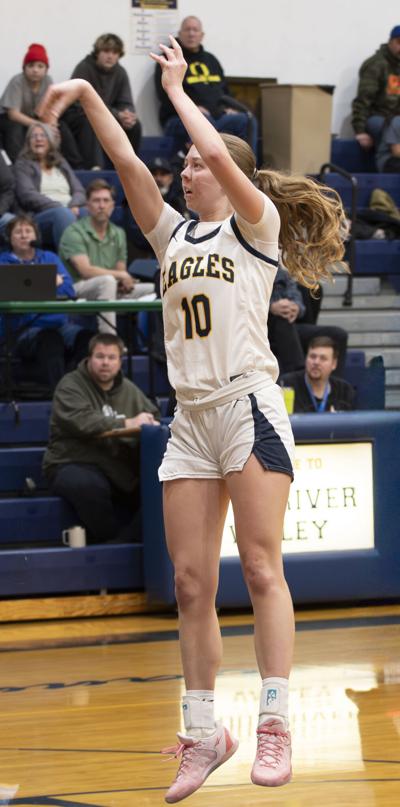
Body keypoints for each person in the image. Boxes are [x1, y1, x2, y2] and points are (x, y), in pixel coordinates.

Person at [38, 35, 345, 802]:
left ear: (229, 170)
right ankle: (206, 729)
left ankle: (274, 718)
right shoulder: (173, 235)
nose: (188, 167)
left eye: (201, 161)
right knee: (188, 582)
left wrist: (177, 93)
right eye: (188, 162)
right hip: (191, 417)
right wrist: (84, 96)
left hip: (246, 405)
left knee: (265, 565)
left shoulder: (256, 225)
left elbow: (210, 149)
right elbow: (130, 166)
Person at [42, 333, 159, 543]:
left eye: (111, 358)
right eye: (100, 356)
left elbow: (152, 416)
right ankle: (111, 548)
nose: (105, 363)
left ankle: (124, 543)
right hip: (71, 463)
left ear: (119, 362)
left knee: (159, 486)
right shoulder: (70, 385)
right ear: (89, 358)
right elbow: (83, 421)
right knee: (89, 487)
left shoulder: (129, 390)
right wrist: (127, 423)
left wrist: (150, 423)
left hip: (117, 468)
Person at [0, 215, 92, 393]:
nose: (24, 235)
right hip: (21, 329)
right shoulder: (3, 261)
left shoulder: (49, 257)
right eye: (18, 232)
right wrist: (49, 282)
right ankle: (59, 395)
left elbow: (68, 291)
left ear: (36, 236)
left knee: (87, 338)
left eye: (28, 231)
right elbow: (8, 293)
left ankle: (83, 392)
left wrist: (34, 287)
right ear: (9, 238)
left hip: (59, 324)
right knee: (50, 340)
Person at [59, 178, 155, 334]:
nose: (101, 205)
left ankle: (154, 345)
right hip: (78, 289)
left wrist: (125, 281)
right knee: (107, 281)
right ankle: (110, 339)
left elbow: (120, 270)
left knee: (153, 289)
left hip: (110, 290)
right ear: (88, 205)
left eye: (106, 200)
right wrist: (120, 275)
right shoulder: (74, 232)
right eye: (96, 201)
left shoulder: (118, 233)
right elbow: (85, 271)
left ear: (112, 206)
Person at [154, 16, 257, 154]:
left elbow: (225, 91)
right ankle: (213, 166)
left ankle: (247, 169)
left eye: (195, 30)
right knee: (203, 122)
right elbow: (165, 95)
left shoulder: (211, 59)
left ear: (201, 35)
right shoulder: (169, 59)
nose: (191, 33)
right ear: (179, 34)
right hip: (179, 118)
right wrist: (191, 109)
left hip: (216, 117)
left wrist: (230, 108)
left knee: (247, 120)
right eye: (187, 29)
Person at [63, 33, 141, 169]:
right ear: (97, 53)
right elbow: (78, 102)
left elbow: (126, 101)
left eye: (115, 52)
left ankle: (129, 167)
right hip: (80, 115)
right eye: (106, 51)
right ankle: (95, 167)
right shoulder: (84, 67)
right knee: (90, 120)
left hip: (110, 115)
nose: (110, 56)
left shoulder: (120, 72)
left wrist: (128, 115)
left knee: (135, 125)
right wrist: (116, 114)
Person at [0, 43, 81, 166]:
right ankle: (20, 164)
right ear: (24, 68)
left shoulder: (48, 81)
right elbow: (13, 114)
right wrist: (40, 125)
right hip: (14, 120)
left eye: (40, 66)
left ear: (46, 69)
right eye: (31, 65)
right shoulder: (17, 81)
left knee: (61, 127)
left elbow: (51, 110)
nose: (35, 70)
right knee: (15, 129)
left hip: (36, 120)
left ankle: (75, 165)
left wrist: (51, 124)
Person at [13, 122, 86, 249]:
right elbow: (27, 195)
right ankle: (69, 263)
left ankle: (97, 263)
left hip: (69, 208)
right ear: (28, 142)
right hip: (41, 215)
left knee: (89, 212)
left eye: (43, 135)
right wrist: (61, 207)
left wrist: (73, 204)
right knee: (62, 214)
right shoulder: (22, 165)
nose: (39, 139)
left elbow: (79, 190)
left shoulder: (61, 162)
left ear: (50, 141)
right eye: (34, 136)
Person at [351, 25, 400, 170]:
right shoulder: (376, 64)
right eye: (399, 42)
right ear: (390, 41)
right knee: (392, 125)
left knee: (396, 123)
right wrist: (360, 130)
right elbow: (363, 100)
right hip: (376, 117)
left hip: (397, 121)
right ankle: (386, 162)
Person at [281, 336, 355, 413]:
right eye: (312, 357)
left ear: (334, 364)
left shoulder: (344, 390)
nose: (316, 362)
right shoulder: (286, 384)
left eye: (323, 358)